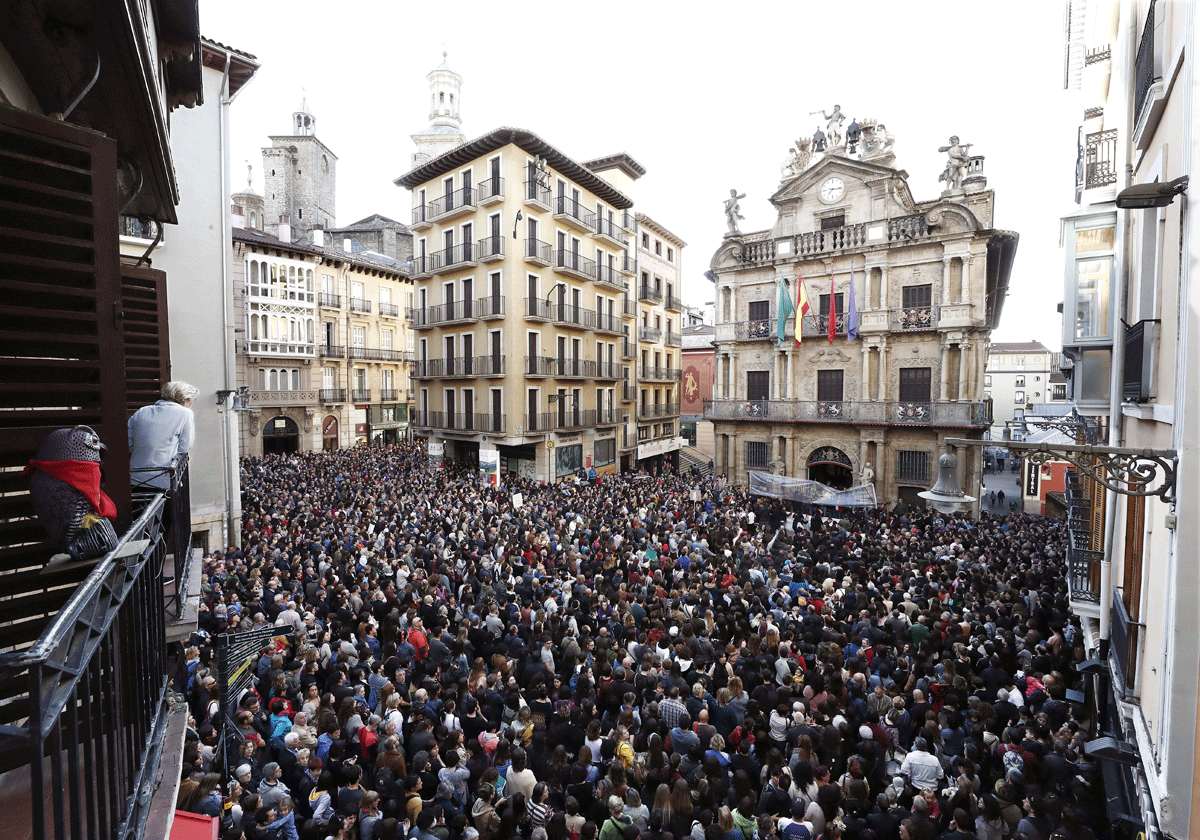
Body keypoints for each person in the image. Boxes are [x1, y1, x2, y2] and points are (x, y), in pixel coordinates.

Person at [128, 380, 196, 490]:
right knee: (167, 506)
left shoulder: (141, 412)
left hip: (136, 476)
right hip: (163, 478)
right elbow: (184, 447)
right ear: (185, 399)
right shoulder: (185, 413)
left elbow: (130, 444)